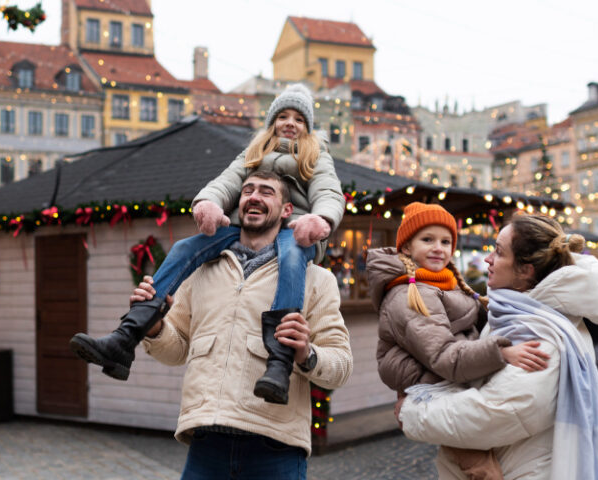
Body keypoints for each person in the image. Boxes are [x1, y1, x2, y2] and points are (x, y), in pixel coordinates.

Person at [70, 84, 345, 402]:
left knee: (293, 258)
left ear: (307, 127)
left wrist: (320, 219)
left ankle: (280, 361)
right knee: (185, 247)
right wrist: (209, 204)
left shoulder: (315, 156)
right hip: (246, 228)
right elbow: (225, 182)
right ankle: (126, 336)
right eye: (283, 116)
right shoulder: (253, 154)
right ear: (271, 123)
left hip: (298, 231)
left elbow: (328, 192)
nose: (290, 123)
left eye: (299, 118)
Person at [129, 170, 352, 479]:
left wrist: (307, 354)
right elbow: (176, 350)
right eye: (247, 191)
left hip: (276, 447)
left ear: (288, 211)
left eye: (266, 192)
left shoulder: (316, 279)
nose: (255, 197)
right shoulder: (201, 271)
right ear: (238, 204)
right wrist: (153, 328)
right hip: (206, 443)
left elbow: (341, 365)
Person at [394, 213, 598, 480]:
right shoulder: (520, 314)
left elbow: (499, 411)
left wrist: (413, 411)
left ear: (526, 271)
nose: (488, 259)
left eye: (499, 253)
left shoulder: (540, 334)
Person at [367, 203, 550, 480]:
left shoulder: (443, 282)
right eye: (427, 240)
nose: (438, 248)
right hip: (430, 384)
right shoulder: (411, 293)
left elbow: (468, 320)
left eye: (445, 241)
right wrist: (501, 352)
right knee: (483, 469)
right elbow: (443, 354)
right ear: (406, 247)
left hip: (444, 380)